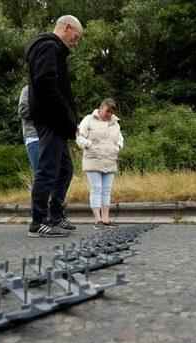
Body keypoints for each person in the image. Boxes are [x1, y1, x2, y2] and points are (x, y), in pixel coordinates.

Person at [25, 15, 83, 238]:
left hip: (56, 119)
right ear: (67, 28)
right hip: (51, 118)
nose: (75, 43)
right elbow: (46, 83)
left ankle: (55, 216)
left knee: (65, 169)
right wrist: (65, 116)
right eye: (75, 37)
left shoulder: (54, 50)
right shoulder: (48, 47)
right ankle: (38, 222)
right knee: (48, 169)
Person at [76, 98, 124, 229]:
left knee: (107, 190)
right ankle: (98, 220)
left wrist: (118, 147)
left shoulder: (115, 123)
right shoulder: (88, 119)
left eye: (111, 112)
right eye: (107, 111)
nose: (109, 114)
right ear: (101, 108)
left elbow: (120, 138)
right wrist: (89, 145)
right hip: (93, 159)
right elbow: (79, 137)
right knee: (96, 188)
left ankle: (106, 219)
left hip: (110, 159)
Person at [18, 85, 39, 173]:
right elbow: (23, 111)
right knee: (41, 173)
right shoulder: (28, 90)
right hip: (34, 137)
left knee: (63, 171)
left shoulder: (52, 88)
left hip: (50, 137)